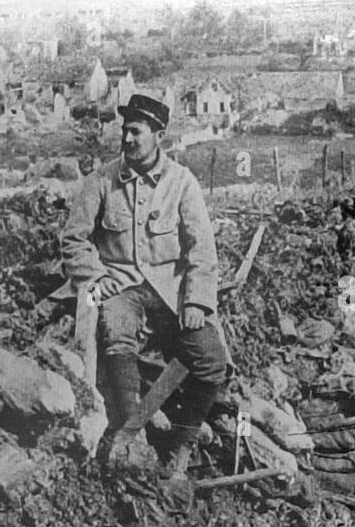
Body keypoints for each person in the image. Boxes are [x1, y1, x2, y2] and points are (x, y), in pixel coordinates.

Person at [57, 92, 228, 474]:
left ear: (159, 136)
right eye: (125, 131)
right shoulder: (100, 181)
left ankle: (182, 442)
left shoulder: (182, 183)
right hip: (119, 284)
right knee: (116, 335)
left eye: (136, 132)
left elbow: (202, 248)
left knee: (212, 361)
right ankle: (131, 434)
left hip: (171, 288)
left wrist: (197, 302)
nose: (128, 139)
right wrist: (96, 277)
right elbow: (74, 240)